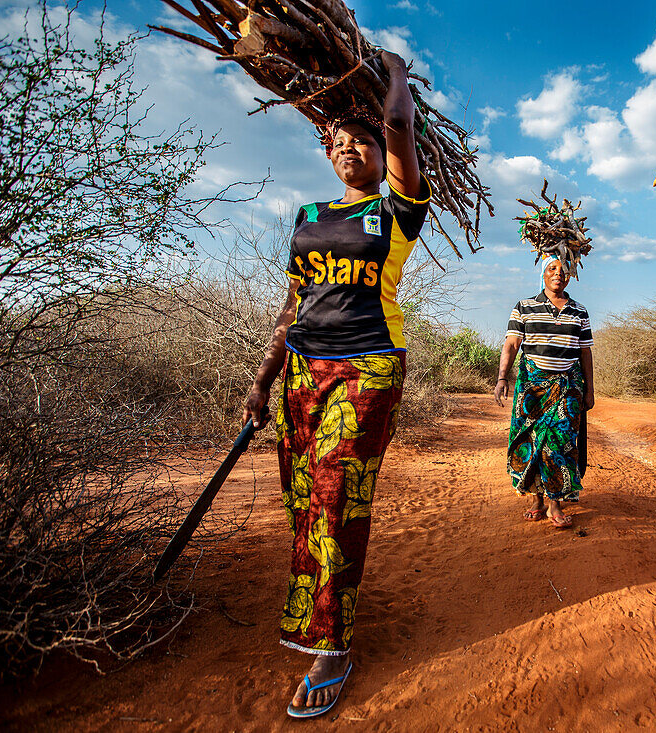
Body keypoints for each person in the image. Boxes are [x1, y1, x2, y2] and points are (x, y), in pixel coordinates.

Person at [241, 51, 430, 718]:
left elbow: (404, 130)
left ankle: (335, 647)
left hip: (367, 367)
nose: (351, 149)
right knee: (304, 502)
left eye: (365, 141)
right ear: (327, 155)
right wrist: (262, 380)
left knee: (333, 500)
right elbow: (292, 305)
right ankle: (319, 614)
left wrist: (396, 76)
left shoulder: (398, 213)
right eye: (339, 142)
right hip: (301, 372)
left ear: (384, 154)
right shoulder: (309, 217)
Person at [494, 256, 595, 529]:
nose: (558, 275)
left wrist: (590, 391)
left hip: (568, 388)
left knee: (561, 443)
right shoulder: (524, 307)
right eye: (552, 269)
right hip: (532, 389)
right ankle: (536, 500)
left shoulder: (579, 311)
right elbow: (512, 344)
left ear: (571, 276)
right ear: (543, 274)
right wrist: (503, 377)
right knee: (532, 442)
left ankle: (555, 504)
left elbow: (585, 353)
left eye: (564, 270)